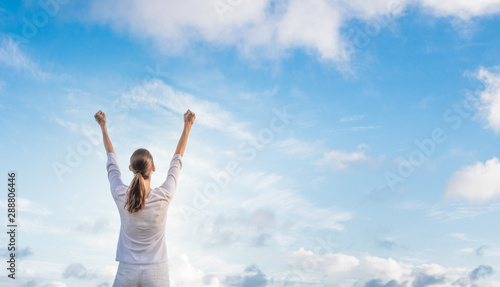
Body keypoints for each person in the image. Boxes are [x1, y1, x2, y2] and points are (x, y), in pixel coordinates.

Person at [94, 109, 196, 287]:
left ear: (130, 169)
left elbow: (111, 163)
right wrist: (187, 125)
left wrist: (103, 127)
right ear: (153, 168)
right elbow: (176, 162)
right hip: (157, 271)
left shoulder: (121, 194)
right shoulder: (164, 195)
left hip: (126, 271)